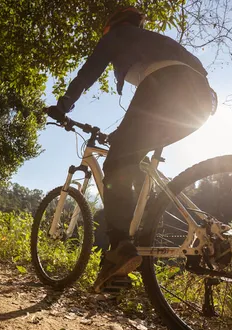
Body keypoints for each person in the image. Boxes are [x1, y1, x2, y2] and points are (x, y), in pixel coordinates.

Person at [47, 6, 216, 292]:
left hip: (167, 85)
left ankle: (120, 250)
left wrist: (63, 106)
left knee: (115, 165)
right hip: (202, 101)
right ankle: (125, 263)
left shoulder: (119, 34)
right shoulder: (157, 41)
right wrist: (122, 136)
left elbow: (87, 74)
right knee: (131, 160)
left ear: (111, 26)